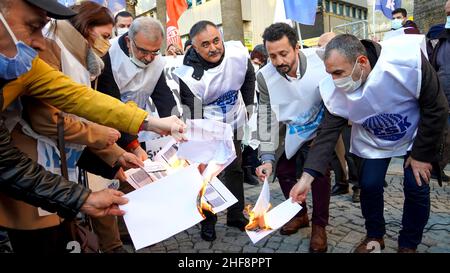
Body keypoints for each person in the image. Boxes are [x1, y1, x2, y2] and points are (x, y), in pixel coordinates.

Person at [0, 0, 185, 229]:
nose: (39, 42)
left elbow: (83, 99)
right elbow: (18, 150)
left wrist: (150, 123)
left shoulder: (31, 67)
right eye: (32, 26)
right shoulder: (50, 50)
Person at [290, 34, 447, 253]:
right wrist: (306, 179)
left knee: (417, 185)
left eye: (338, 73)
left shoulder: (406, 61)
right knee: (370, 185)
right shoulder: (334, 89)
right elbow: (327, 134)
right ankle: (374, 235)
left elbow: (436, 106)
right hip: (374, 139)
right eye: (330, 73)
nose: (335, 81)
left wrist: (421, 156)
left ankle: (409, 243)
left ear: (362, 62)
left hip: (416, 134)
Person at [174, 20, 255, 241]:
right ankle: (207, 219)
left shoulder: (237, 52)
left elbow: (249, 76)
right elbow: (193, 114)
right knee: (208, 175)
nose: (213, 48)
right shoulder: (188, 75)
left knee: (236, 167)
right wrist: (204, 142)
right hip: (207, 126)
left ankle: (236, 214)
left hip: (235, 119)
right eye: (206, 44)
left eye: (216, 40)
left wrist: (248, 108)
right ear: (195, 48)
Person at [254, 23, 330, 253]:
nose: (277, 62)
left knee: (319, 175)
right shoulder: (264, 77)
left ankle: (319, 225)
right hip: (291, 130)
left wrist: (324, 136)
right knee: (284, 171)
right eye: (272, 55)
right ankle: (299, 214)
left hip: (321, 129)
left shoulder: (320, 61)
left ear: (297, 48)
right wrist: (266, 157)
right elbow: (266, 117)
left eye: (283, 54)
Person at [318, 32, 362, 202]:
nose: (322, 49)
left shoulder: (346, 60)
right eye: (320, 46)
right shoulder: (320, 64)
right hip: (330, 114)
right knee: (334, 153)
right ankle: (341, 181)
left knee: (352, 153)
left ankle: (358, 185)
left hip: (349, 115)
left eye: (325, 45)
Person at [429, 0, 450, 182]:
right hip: (444, 99)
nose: (448, 17)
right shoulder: (443, 39)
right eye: (447, 13)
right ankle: (437, 167)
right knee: (443, 138)